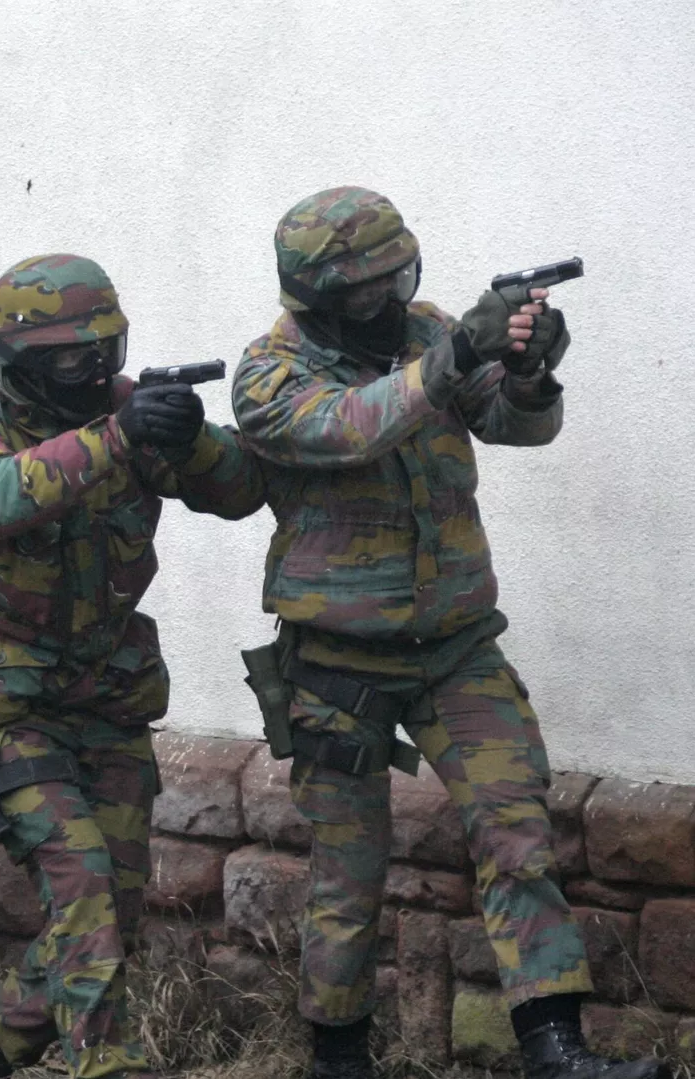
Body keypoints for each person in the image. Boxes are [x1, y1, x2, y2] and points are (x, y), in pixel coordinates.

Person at [232, 186, 661, 1079]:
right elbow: (348, 429)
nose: (391, 301)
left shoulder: (423, 334)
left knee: (516, 832)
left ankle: (555, 1045)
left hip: (457, 646)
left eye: (402, 277)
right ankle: (339, 1055)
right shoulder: (268, 374)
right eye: (366, 291)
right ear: (316, 298)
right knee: (348, 876)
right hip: (337, 666)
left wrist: (530, 373)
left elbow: (512, 426)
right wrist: (455, 353)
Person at [0, 255, 263, 1079]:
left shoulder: (121, 407)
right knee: (86, 906)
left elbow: (241, 489)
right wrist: (119, 435)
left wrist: (191, 437)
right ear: (21, 352)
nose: (96, 370)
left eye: (107, 349)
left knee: (113, 919)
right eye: (75, 357)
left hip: (103, 697)